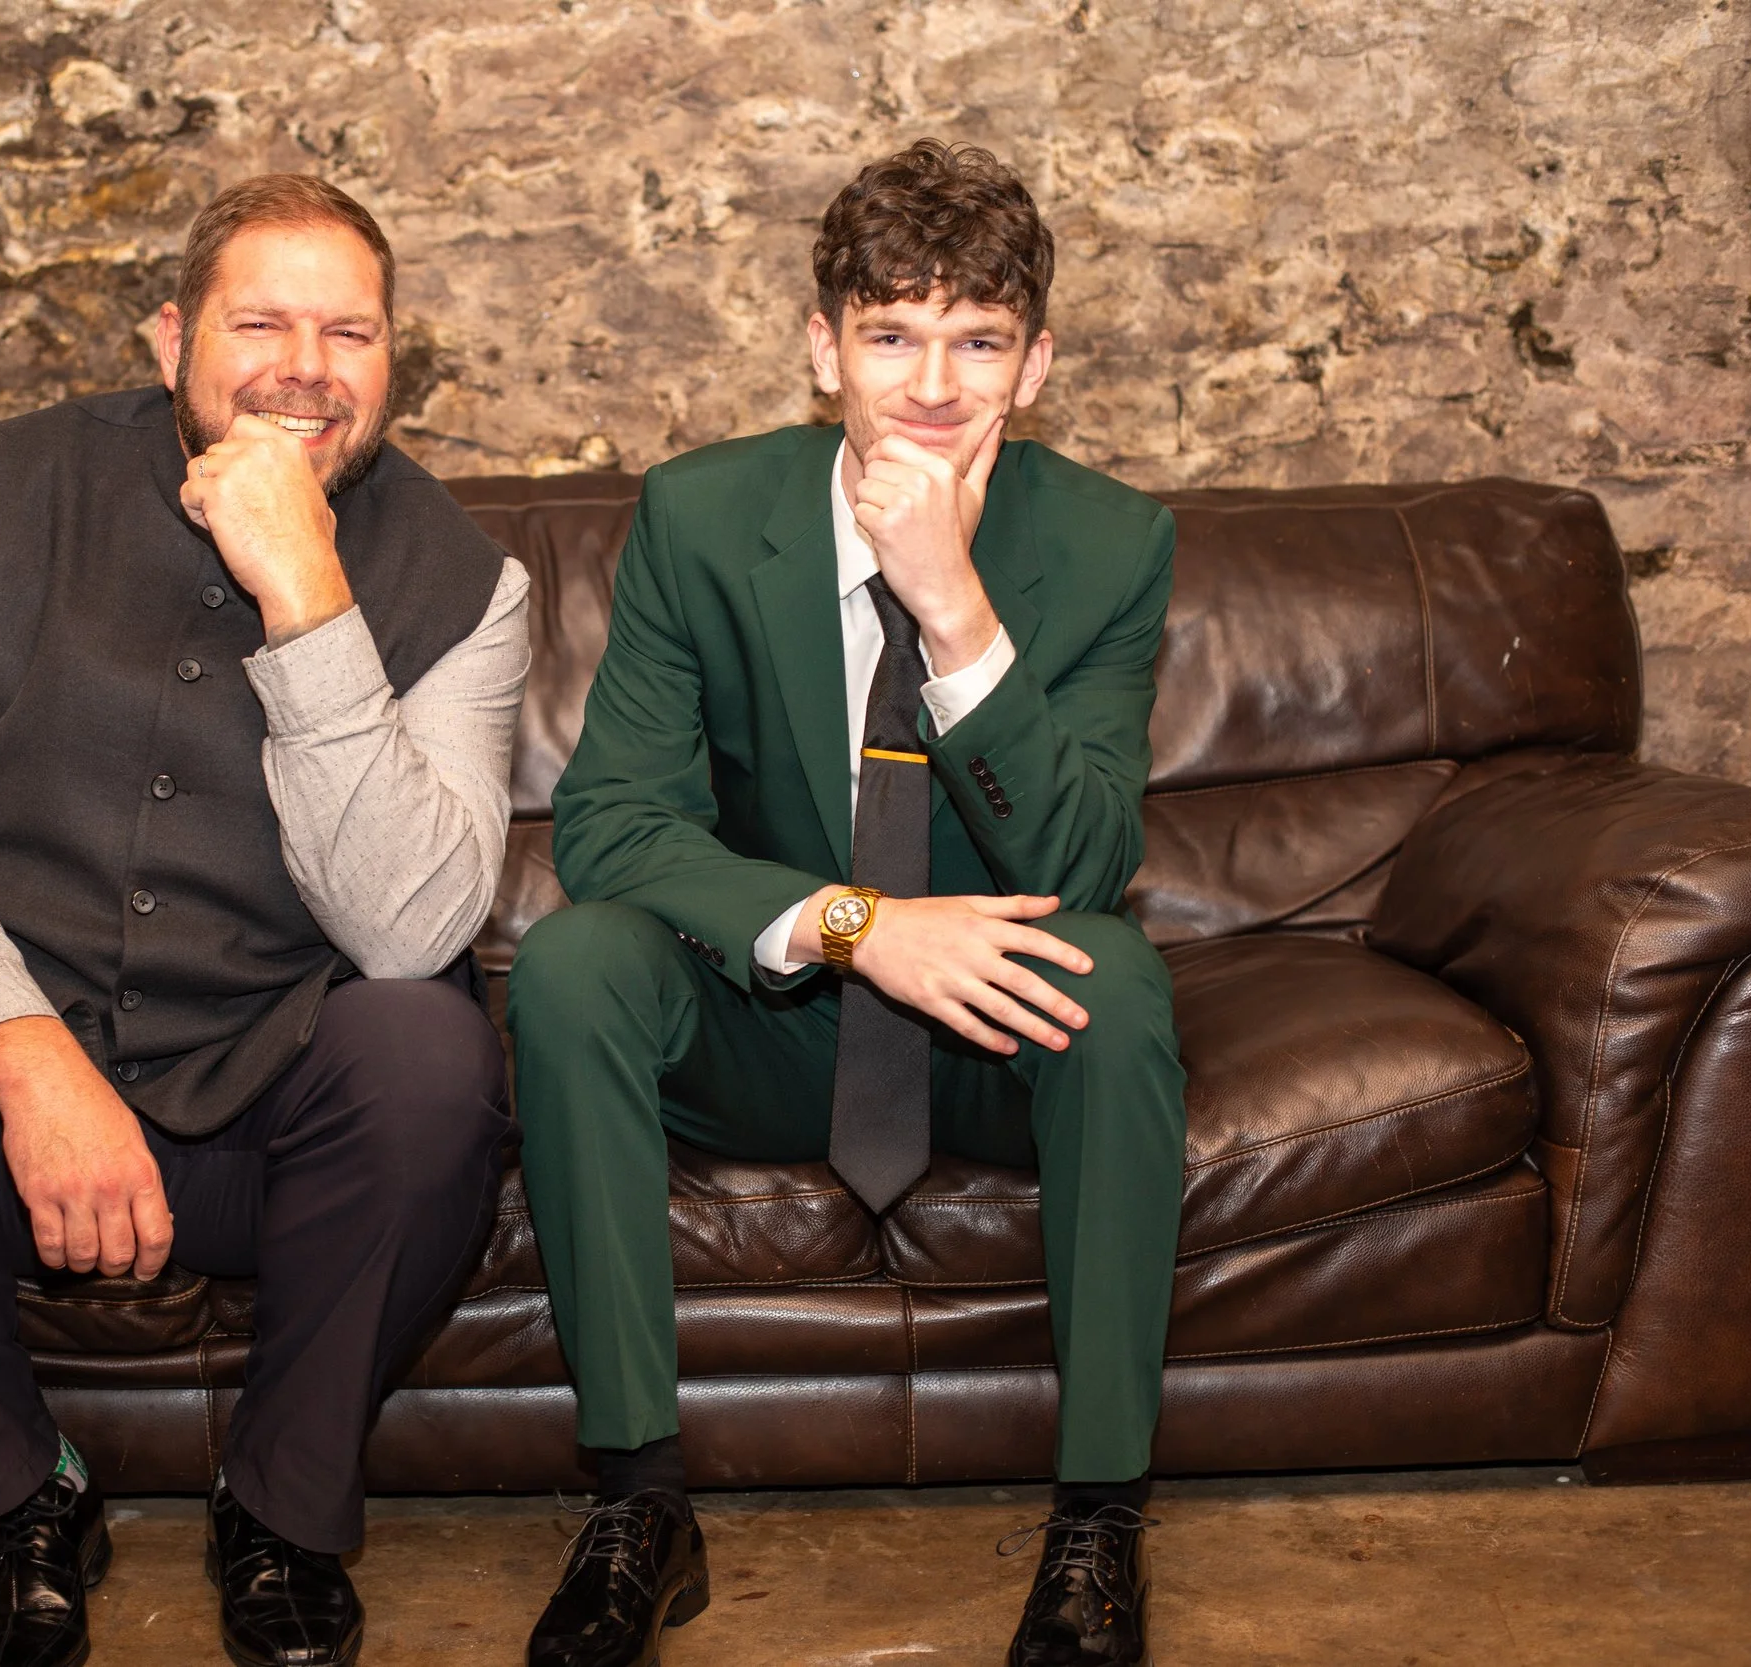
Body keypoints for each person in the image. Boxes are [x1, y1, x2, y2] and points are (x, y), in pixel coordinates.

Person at [0, 172, 528, 1667]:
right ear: (172, 340)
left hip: (268, 1109)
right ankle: (23, 1496)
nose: (306, 367)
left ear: (392, 361)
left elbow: (411, 929)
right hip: (0, 1100)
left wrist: (308, 595)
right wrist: (31, 1064)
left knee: (431, 1051)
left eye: (349, 333)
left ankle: (277, 1509)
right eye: (260, 323)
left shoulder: (474, 586)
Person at [506, 139, 1187, 1667]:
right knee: (571, 966)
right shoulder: (700, 516)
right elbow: (613, 822)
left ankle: (1098, 1519)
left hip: (991, 1037)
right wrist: (858, 923)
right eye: (892, 336)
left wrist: (952, 604)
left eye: (978, 343)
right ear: (824, 351)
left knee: (1120, 978)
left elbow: (1084, 863)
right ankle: (637, 1499)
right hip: (782, 1016)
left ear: (1036, 366)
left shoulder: (1110, 544)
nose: (933, 387)